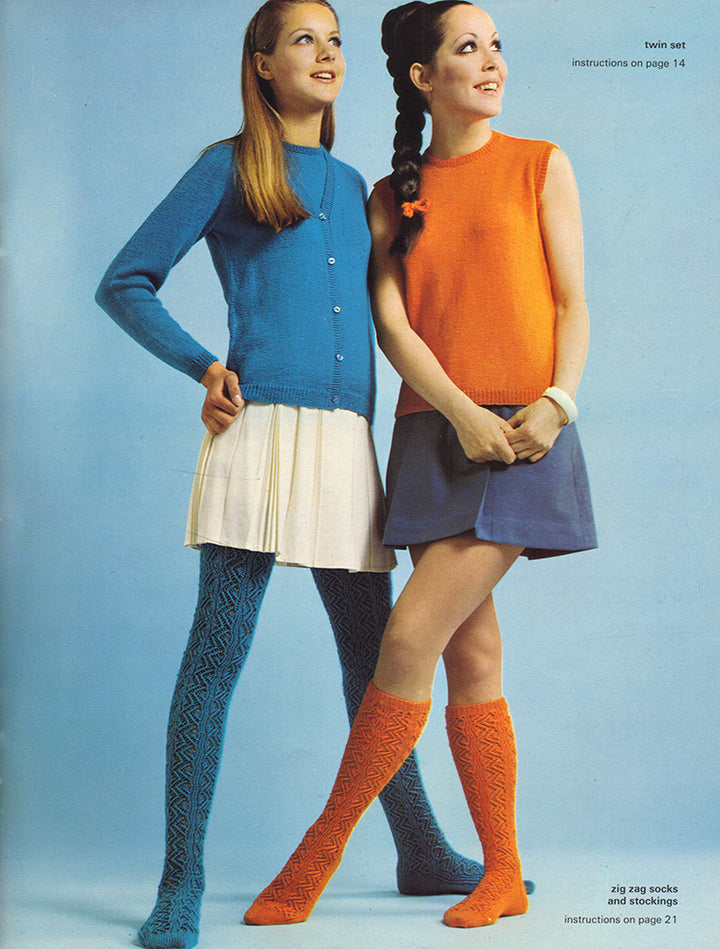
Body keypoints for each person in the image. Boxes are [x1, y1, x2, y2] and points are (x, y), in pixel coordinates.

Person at [94, 2, 498, 947]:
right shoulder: (231, 164)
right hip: (260, 433)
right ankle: (180, 883)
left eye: (336, 40)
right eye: (304, 39)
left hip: (345, 442)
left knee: (378, 660)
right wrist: (204, 367)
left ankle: (420, 847)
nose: (326, 53)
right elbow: (125, 280)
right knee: (216, 655)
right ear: (264, 64)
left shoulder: (358, 184)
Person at [244, 0, 596, 931]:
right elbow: (393, 327)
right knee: (472, 652)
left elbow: (573, 303)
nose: (491, 62)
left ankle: (317, 853)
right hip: (435, 433)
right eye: (467, 48)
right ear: (422, 76)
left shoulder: (542, 163)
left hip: (527, 434)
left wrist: (556, 404)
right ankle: (503, 872)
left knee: (405, 640)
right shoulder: (389, 196)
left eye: (496, 46)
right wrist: (461, 413)